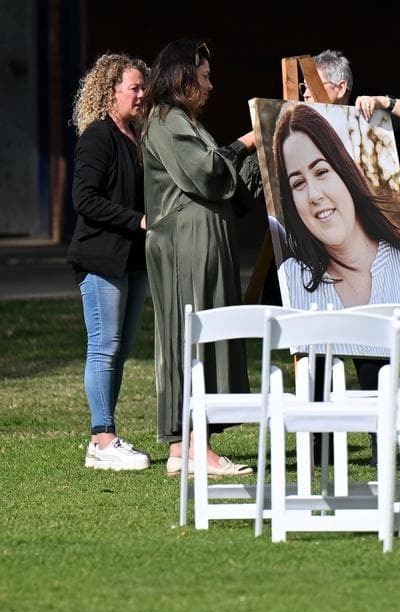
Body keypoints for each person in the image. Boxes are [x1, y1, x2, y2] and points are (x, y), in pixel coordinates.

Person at [140, 39, 257, 477]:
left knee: (189, 335)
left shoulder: (179, 121)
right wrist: (246, 143)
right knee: (196, 336)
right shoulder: (167, 120)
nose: (210, 85)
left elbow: (216, 172)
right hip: (185, 245)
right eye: (204, 76)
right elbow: (207, 172)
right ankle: (197, 447)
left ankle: (182, 447)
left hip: (193, 241)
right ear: (183, 76)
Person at [302, 49, 400, 302]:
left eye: (312, 85)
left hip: (383, 251)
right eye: (303, 87)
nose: (305, 93)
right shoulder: (299, 133)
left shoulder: (370, 124)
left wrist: (384, 102)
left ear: (340, 88)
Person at [68, 52, 152, 471]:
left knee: (120, 351)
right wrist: (137, 220)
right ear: (110, 92)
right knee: (104, 347)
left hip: (133, 260)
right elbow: (83, 199)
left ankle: (104, 437)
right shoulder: (98, 136)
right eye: (134, 88)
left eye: (143, 87)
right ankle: (102, 439)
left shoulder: (136, 136)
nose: (142, 95)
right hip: (101, 257)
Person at [272, 103, 400, 311]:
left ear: (344, 171)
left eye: (321, 172)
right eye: (298, 183)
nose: (314, 195)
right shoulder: (290, 280)